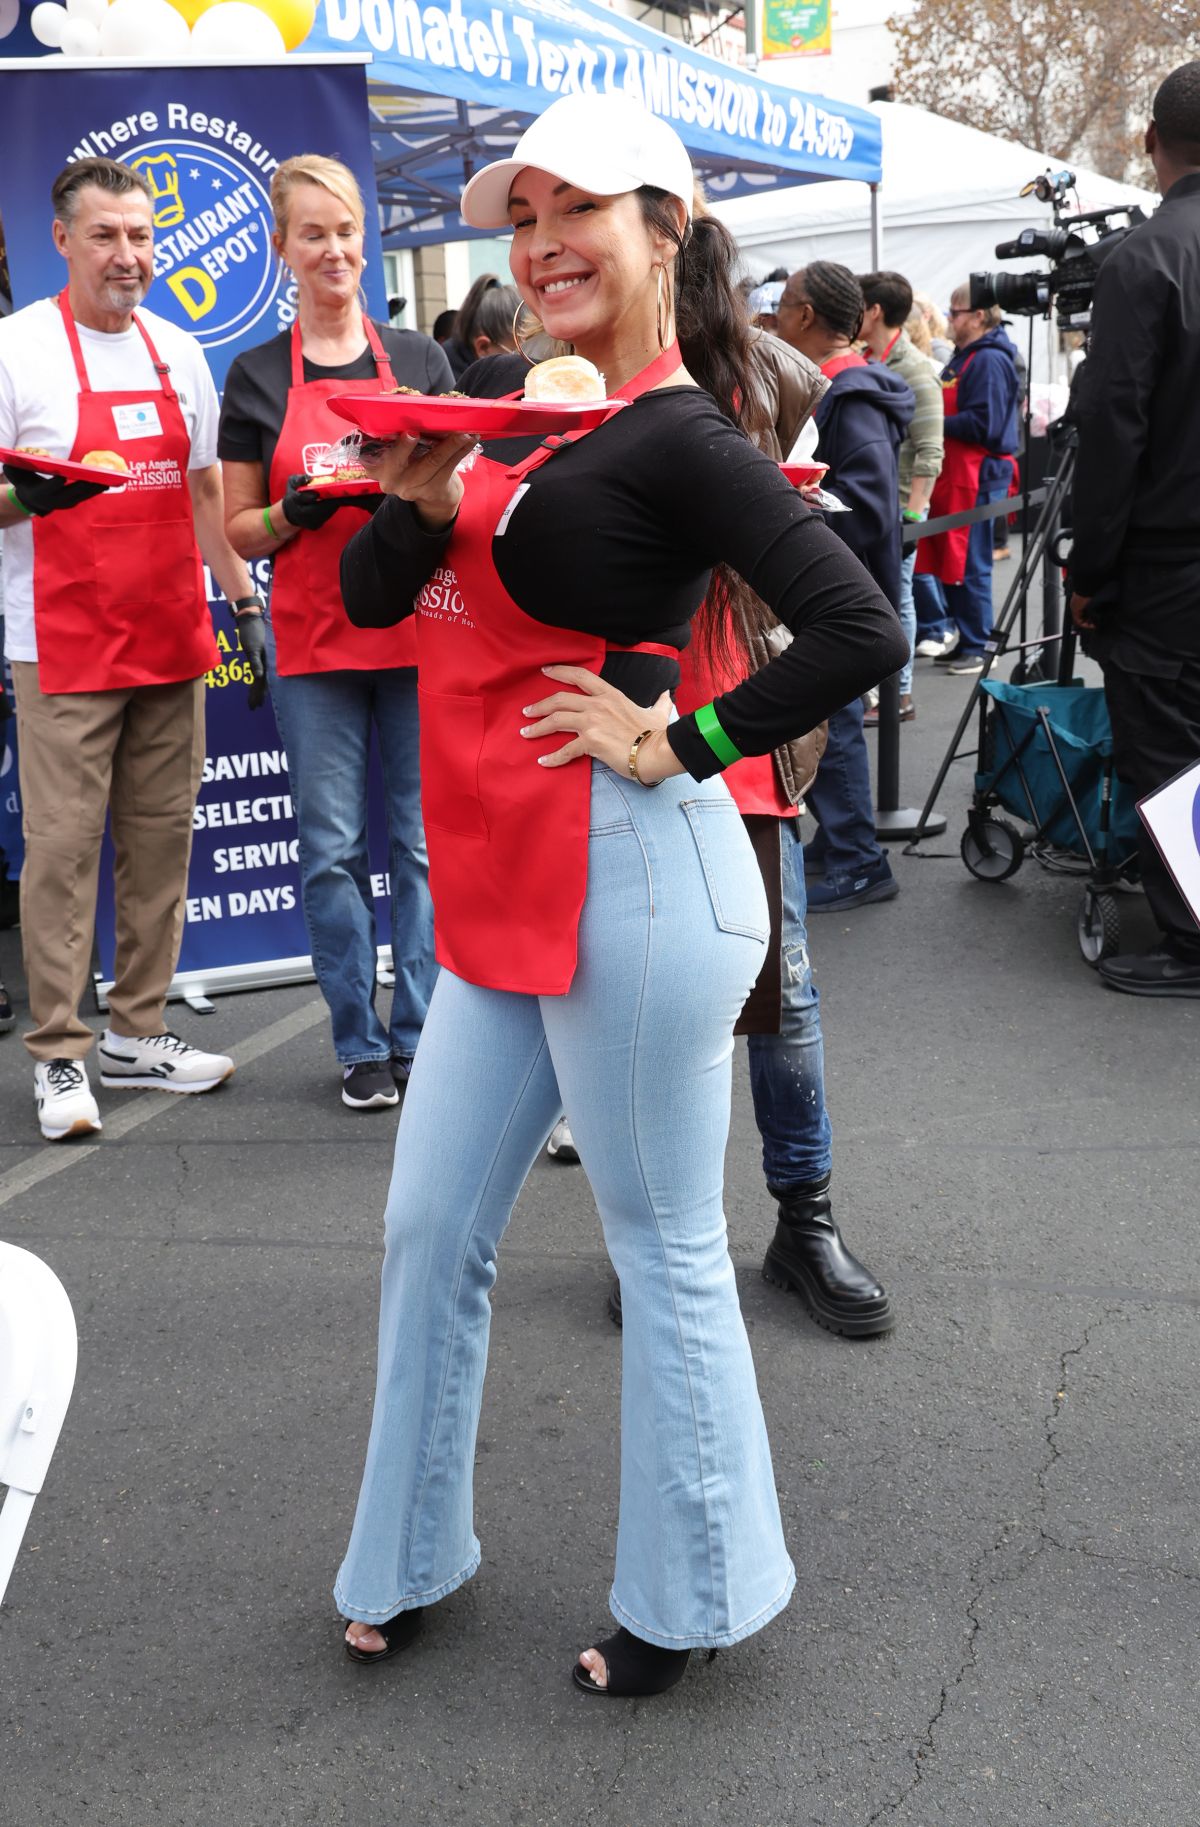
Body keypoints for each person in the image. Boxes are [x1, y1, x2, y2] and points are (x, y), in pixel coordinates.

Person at [331, 92, 906, 1695]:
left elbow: (863, 629)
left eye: (578, 211)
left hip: (637, 891)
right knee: (428, 1220)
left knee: (659, 1245)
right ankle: (407, 1551)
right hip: (503, 894)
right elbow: (386, 597)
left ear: (665, 230)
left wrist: (683, 737)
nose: (541, 244)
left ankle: (696, 1590)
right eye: (523, 219)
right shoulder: (511, 406)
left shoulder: (681, 432)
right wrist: (415, 496)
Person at [0, 157, 252, 1143]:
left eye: (142, 236)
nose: (128, 255)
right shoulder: (18, 349)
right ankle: (59, 1053)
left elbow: (200, 494)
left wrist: (243, 599)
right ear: (60, 241)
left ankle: (135, 1033)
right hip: (58, 643)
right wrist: (30, 498)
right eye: (106, 235)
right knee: (62, 854)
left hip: (169, 633)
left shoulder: (175, 351)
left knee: (161, 844)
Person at [220, 155, 449, 1108]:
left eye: (346, 229)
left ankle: (426, 1036)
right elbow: (235, 528)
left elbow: (460, 495)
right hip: (313, 645)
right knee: (329, 854)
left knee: (427, 850)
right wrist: (294, 514)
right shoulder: (257, 373)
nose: (333, 249)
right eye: (311, 233)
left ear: (367, 238)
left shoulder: (422, 361)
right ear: (281, 248)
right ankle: (357, 1041)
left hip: (419, 641)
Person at [1069, 60, 1200, 998]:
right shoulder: (1148, 257)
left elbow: (1114, 427)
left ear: (1151, 145)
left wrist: (1091, 572)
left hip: (1169, 566)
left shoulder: (1147, 258)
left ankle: (1193, 940)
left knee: (1167, 752)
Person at [775, 262, 913, 912]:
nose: (774, 313)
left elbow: (868, 503)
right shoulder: (837, 386)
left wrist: (798, 508)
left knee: (836, 721)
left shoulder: (848, 393)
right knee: (827, 715)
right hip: (834, 580)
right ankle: (841, 844)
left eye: (783, 303)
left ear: (805, 315)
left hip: (836, 586)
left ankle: (858, 858)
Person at [914, 286, 1019, 676]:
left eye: (956, 313)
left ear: (978, 316)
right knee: (954, 557)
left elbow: (985, 425)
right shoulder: (970, 357)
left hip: (979, 475)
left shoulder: (988, 360)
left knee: (971, 561)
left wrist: (929, 422)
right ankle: (967, 638)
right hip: (962, 473)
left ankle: (977, 643)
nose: (950, 320)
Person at [858, 269, 945, 723]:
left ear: (874, 311)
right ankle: (883, 692)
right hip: (872, 505)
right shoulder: (867, 359)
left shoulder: (913, 368)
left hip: (899, 509)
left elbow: (929, 450)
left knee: (899, 598)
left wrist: (913, 512)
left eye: (858, 303)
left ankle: (902, 694)